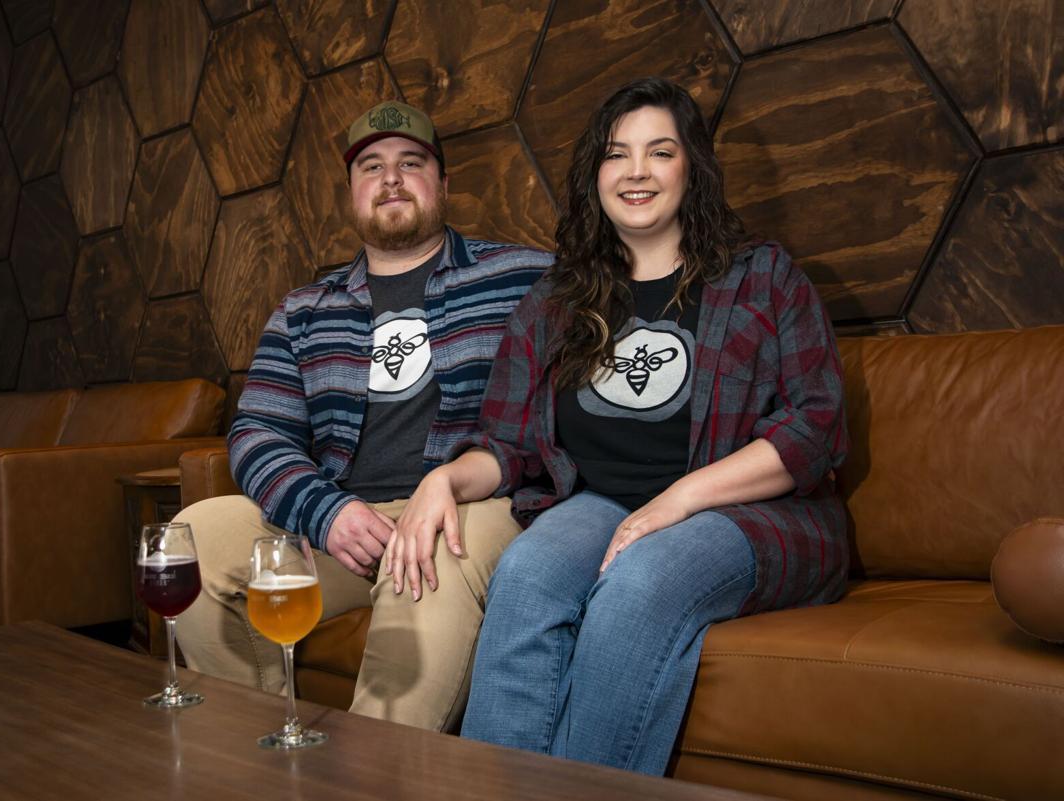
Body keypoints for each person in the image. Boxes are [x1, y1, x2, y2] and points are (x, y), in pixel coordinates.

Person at [393, 77, 849, 772]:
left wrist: (679, 499)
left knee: (638, 583)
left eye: (659, 152)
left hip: (753, 513)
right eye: (616, 154)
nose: (636, 171)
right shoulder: (557, 300)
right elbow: (508, 445)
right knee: (526, 573)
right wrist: (444, 480)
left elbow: (814, 428)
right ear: (595, 175)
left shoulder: (763, 277)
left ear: (690, 167)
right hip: (602, 502)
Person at [173, 100, 552, 732]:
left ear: (443, 184)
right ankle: (263, 754)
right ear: (352, 192)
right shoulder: (305, 309)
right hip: (345, 522)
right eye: (372, 167)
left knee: (438, 555)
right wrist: (327, 512)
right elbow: (258, 432)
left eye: (412, 163)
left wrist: (460, 483)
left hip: (463, 511)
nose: (392, 179)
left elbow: (568, 409)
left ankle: (370, 783)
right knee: (198, 537)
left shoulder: (524, 278)